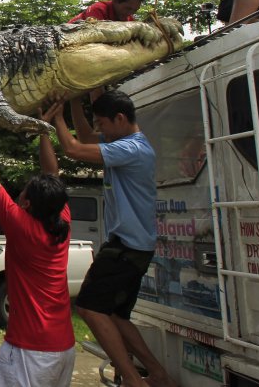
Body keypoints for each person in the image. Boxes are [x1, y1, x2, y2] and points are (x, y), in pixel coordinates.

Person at [47, 91, 177, 387]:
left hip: (126, 246)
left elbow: (72, 148)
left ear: (120, 119)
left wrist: (55, 116)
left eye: (102, 123)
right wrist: (74, 101)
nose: (99, 130)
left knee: (90, 307)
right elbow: (83, 135)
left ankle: (133, 380)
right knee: (117, 316)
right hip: (133, 245)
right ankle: (158, 375)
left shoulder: (132, 148)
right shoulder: (121, 142)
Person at [0, 118, 75, 387]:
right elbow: (52, 173)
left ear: (27, 204)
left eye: (23, 193)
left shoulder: (22, 226)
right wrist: (43, 130)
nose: (18, 196)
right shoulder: (61, 221)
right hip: (63, 346)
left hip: (30, 352)